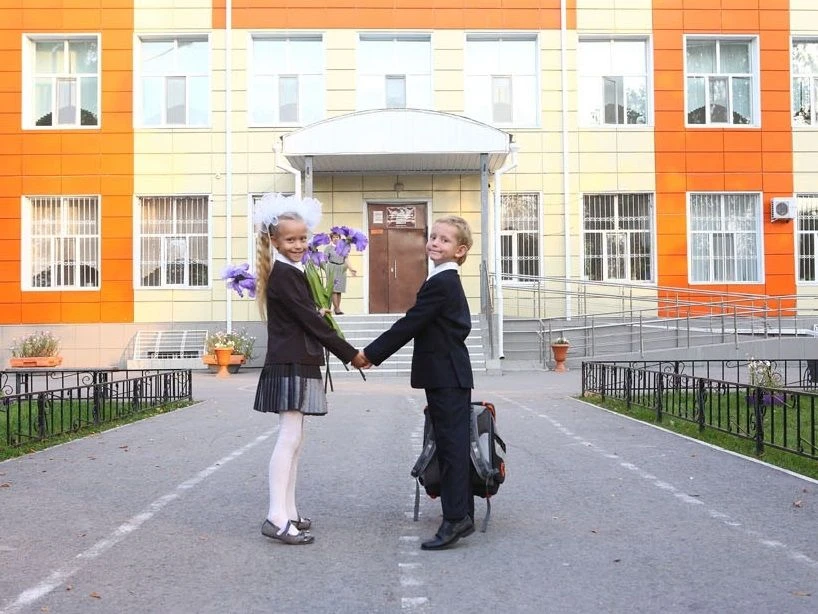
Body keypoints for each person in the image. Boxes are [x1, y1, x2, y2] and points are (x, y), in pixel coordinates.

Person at [252, 195, 369, 545]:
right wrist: (351, 354)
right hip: (291, 360)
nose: (299, 245)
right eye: (290, 239)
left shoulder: (292, 271)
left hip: (297, 359)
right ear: (274, 241)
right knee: (289, 437)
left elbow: (308, 316)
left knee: (295, 439)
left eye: (303, 238)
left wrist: (321, 311)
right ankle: (276, 516)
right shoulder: (285, 274)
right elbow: (309, 322)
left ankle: (288, 512)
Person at [361, 215, 475, 550]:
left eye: (445, 240)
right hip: (447, 374)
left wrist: (370, 354)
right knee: (451, 445)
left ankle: (455, 519)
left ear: (460, 251)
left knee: (451, 448)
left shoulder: (443, 282)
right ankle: (463, 512)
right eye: (433, 236)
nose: (435, 243)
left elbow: (411, 323)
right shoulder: (440, 279)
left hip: (447, 375)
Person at [324, 231, 356, 315]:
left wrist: (351, 269)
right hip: (332, 268)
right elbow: (324, 259)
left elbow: (346, 259)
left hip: (341, 268)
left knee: (339, 290)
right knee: (334, 289)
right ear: (331, 239)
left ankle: (337, 308)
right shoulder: (328, 248)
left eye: (337, 237)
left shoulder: (343, 247)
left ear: (339, 238)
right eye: (334, 237)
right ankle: (337, 309)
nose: (335, 239)